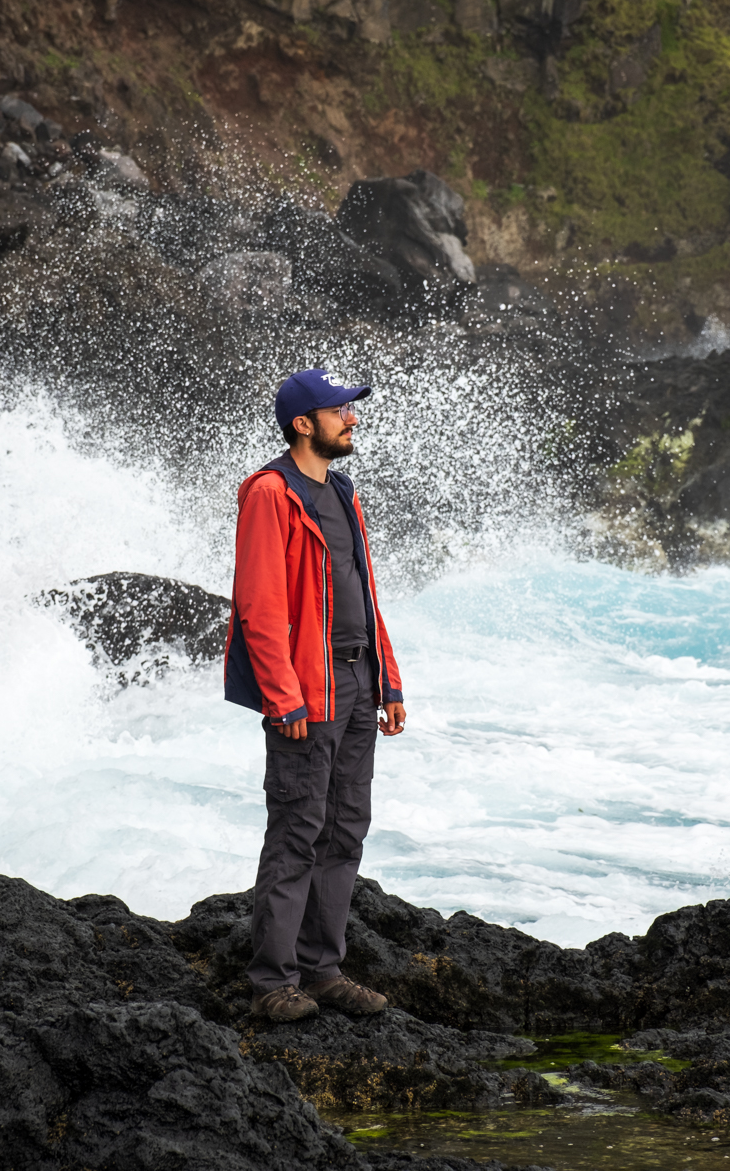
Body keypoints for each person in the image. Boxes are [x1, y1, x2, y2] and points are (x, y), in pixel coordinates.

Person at [224, 368, 408, 1023]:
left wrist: (389, 682)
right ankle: (273, 982)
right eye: (338, 411)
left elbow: (366, 594)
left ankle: (322, 971)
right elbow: (260, 607)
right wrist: (283, 697)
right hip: (307, 688)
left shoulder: (344, 492)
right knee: (298, 829)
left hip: (359, 685)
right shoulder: (271, 493)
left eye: (349, 410)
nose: (351, 420)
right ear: (303, 423)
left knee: (345, 828)